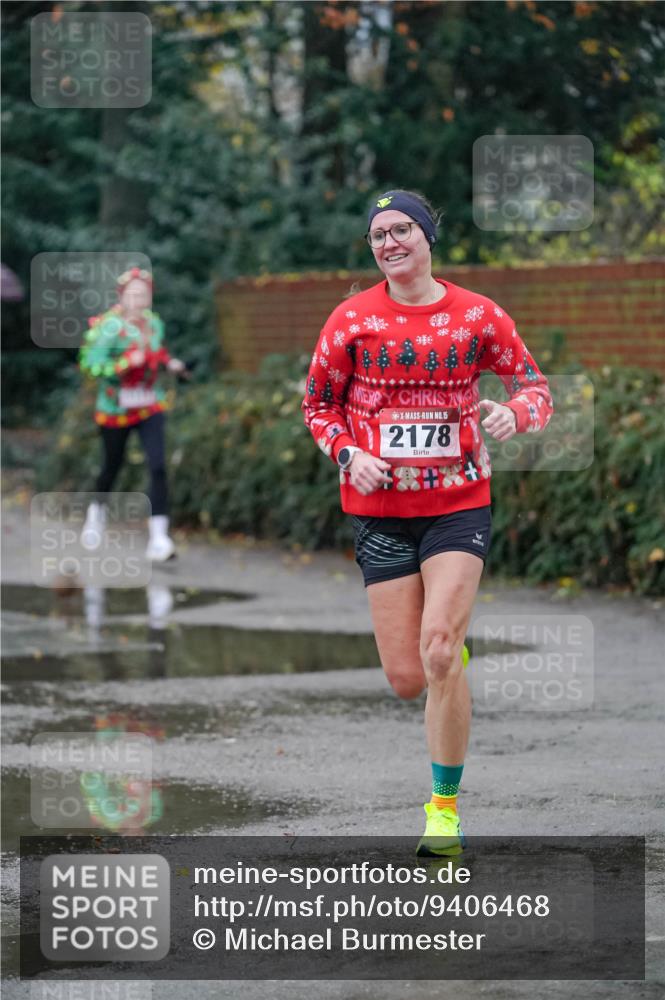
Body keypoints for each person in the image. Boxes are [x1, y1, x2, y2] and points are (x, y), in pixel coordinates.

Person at [302, 190, 553, 856]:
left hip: (456, 505)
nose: (389, 243)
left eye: (401, 229)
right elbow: (317, 408)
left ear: (427, 236)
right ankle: (448, 657)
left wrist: (513, 414)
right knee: (408, 677)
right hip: (380, 515)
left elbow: (534, 387)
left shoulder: (477, 314)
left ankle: (443, 810)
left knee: (436, 647)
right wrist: (348, 453)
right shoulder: (350, 319)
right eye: (377, 235)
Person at [78, 267, 186, 561]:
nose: (139, 299)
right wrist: (124, 363)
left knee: (158, 465)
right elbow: (90, 365)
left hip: (149, 404)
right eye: (133, 294)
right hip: (116, 408)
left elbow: (158, 352)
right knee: (112, 465)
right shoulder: (107, 328)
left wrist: (170, 363)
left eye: (144, 294)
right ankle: (96, 513)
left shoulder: (154, 324)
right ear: (122, 296)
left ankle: (160, 538)